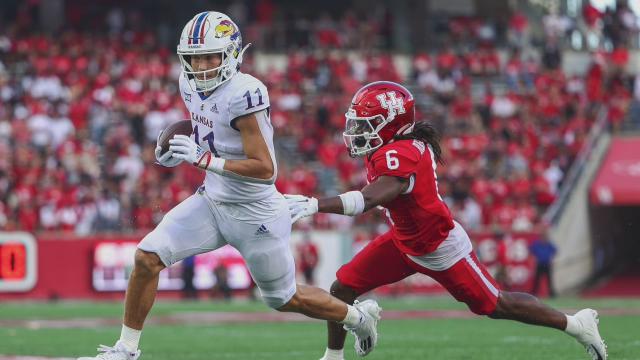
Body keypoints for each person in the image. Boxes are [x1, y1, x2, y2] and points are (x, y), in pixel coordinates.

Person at [78, 12, 380, 360]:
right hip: (212, 200)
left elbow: (265, 169)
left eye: (211, 56)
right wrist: (171, 153)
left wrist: (203, 159)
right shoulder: (187, 82)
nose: (202, 65)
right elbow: (207, 131)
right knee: (147, 258)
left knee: (283, 299)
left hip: (256, 213)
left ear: (232, 54)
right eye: (194, 57)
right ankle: (126, 351)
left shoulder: (245, 92)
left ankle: (357, 317)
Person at [286, 81, 607, 360]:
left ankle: (576, 324)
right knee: (342, 287)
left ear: (391, 124)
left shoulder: (404, 152)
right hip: (403, 241)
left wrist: (313, 204)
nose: (356, 131)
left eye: (365, 123)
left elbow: (367, 200)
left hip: (441, 247)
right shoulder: (388, 148)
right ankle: (334, 354)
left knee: (497, 305)